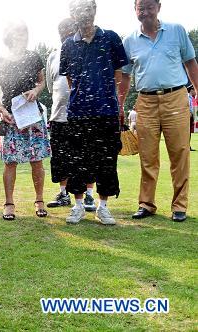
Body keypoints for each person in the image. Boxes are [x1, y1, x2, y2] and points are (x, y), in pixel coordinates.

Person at [119, 0, 198, 222]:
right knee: (147, 156)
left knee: (180, 153)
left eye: (149, 6)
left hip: (176, 98)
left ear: (159, 7)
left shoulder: (177, 31)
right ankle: (146, 204)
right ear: (135, 11)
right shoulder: (129, 40)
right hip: (145, 101)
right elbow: (125, 76)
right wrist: (120, 105)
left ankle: (179, 206)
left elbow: (191, 63)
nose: (145, 11)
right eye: (140, 7)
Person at [59, 0, 128, 225]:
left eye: (88, 8)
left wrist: (110, 99)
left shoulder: (111, 38)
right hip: (79, 112)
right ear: (72, 14)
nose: (84, 14)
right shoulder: (68, 45)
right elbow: (70, 80)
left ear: (95, 11)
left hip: (106, 111)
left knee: (106, 160)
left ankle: (103, 206)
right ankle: (78, 205)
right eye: (78, 10)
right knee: (77, 160)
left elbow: (119, 74)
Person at [0, 21, 51, 220]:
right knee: (10, 162)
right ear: (8, 36)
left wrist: (35, 90)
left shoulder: (33, 57)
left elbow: (42, 82)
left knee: (37, 160)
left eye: (24, 33)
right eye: (17, 33)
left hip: (33, 115)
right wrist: (1, 110)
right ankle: (8, 203)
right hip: (10, 116)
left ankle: (39, 200)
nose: (22, 36)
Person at [45, 17, 96, 212]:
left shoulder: (87, 52)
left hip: (83, 115)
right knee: (60, 158)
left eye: (68, 31)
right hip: (59, 115)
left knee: (86, 157)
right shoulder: (53, 56)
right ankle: (63, 194)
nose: (64, 35)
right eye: (61, 32)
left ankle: (90, 196)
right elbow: (52, 87)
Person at [188, 85, 196, 151]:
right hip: (187, 117)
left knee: (189, 132)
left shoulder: (191, 97)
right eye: (194, 90)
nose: (195, 92)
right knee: (187, 132)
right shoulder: (187, 97)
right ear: (191, 90)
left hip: (190, 117)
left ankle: (188, 146)